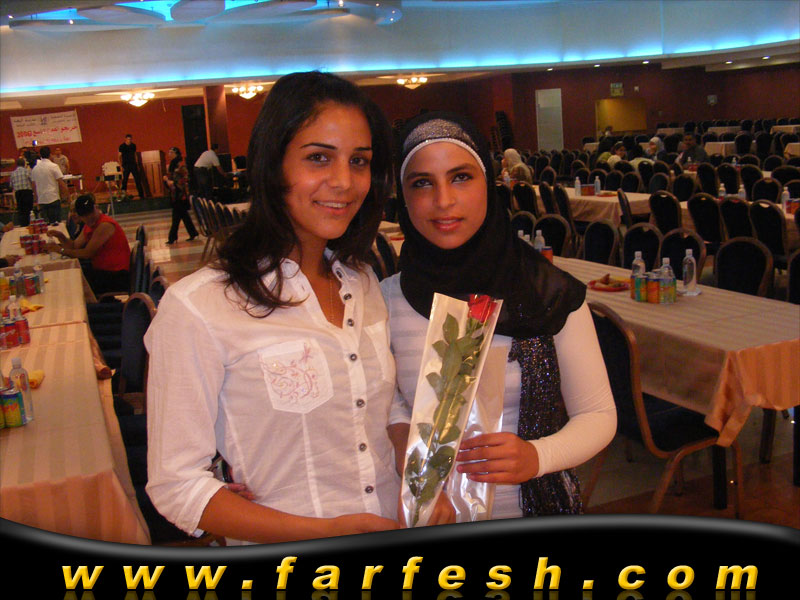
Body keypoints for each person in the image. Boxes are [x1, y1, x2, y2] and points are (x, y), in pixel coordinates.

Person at [144, 71, 401, 545]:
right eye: (318, 157)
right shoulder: (200, 307)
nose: (344, 182)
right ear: (273, 164)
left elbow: (384, 410)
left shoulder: (362, 281)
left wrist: (425, 485)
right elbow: (176, 486)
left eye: (359, 161)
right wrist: (326, 532)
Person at [383, 111, 616, 522]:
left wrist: (537, 456)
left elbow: (598, 416)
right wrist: (408, 454)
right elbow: (386, 400)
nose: (443, 200)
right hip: (425, 515)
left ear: (489, 184)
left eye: (461, 177)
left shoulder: (550, 294)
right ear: (402, 196)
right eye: (422, 183)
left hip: (534, 511)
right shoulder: (386, 300)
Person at [45, 194, 131, 295]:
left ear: (96, 207)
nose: (89, 217)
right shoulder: (90, 224)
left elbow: (87, 253)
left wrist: (61, 250)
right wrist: (61, 236)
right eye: (85, 215)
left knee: (73, 281)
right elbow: (74, 246)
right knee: (71, 275)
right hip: (102, 271)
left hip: (116, 275)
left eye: (91, 213)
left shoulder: (105, 225)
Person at [163, 147, 199, 245]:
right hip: (176, 194)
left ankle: (172, 238)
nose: (169, 154)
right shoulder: (172, 164)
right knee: (183, 215)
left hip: (180, 195)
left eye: (171, 152)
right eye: (169, 152)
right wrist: (167, 180)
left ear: (176, 153)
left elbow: (185, 179)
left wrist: (171, 182)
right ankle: (192, 233)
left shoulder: (180, 164)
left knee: (176, 217)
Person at [30, 145, 67, 224]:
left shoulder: (35, 169)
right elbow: (61, 183)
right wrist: (67, 197)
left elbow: (33, 186)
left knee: (45, 224)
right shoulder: (54, 166)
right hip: (53, 198)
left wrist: (36, 199)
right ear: (50, 155)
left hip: (42, 200)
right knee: (56, 224)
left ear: (40, 155)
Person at [118, 134, 146, 199]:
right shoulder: (122, 146)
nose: (129, 140)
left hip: (133, 164)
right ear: (125, 139)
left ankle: (141, 195)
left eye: (130, 139)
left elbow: (135, 154)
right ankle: (123, 195)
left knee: (137, 179)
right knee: (125, 180)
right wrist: (121, 166)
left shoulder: (133, 146)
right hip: (126, 165)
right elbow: (119, 156)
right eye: (128, 139)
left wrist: (137, 163)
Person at [10, 158, 34, 226]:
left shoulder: (13, 173)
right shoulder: (27, 171)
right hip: (27, 192)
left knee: (21, 210)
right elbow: (32, 182)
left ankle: (23, 224)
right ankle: (30, 224)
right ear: (24, 164)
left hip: (18, 193)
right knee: (29, 209)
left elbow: (11, 185)